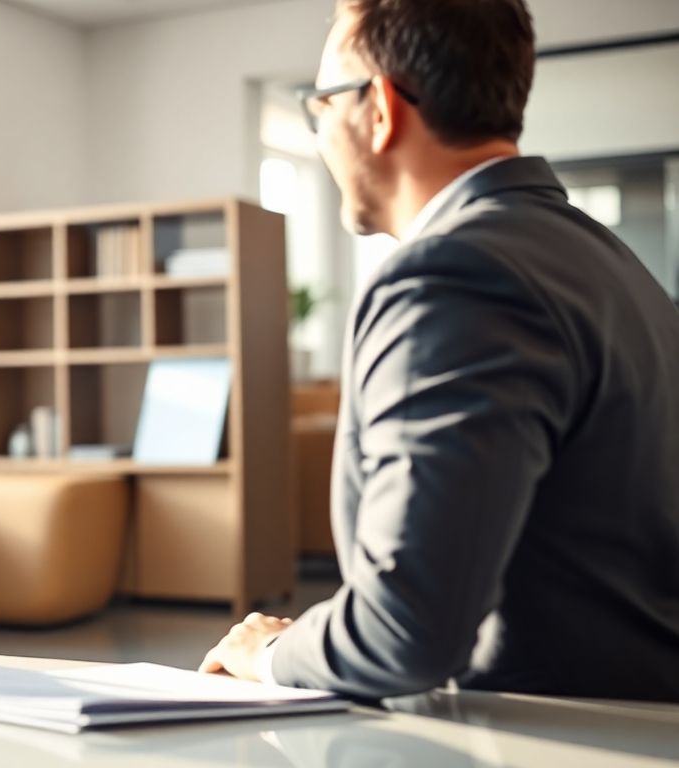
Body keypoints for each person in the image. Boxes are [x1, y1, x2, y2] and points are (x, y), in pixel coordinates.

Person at [200, 0, 679, 701]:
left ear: (382, 108)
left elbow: (408, 629)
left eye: (322, 104)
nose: (323, 131)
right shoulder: (611, 262)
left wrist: (271, 649)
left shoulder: (454, 275)